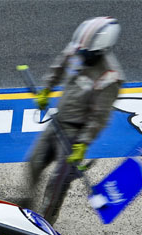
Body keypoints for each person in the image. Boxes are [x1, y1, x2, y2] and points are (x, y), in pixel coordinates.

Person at [23, 16, 124, 224]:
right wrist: (47, 89)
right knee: (34, 162)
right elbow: (59, 67)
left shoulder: (110, 77)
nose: (81, 55)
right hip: (58, 120)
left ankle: (45, 224)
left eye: (87, 53)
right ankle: (27, 204)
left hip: (75, 134)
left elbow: (100, 116)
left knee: (56, 184)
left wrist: (83, 144)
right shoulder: (78, 48)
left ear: (101, 51)